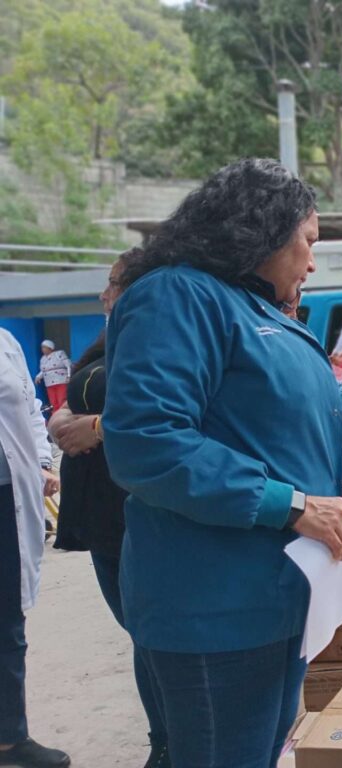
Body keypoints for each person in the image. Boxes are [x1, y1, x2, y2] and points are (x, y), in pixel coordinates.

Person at [102, 158, 342, 768]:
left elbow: (338, 414)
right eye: (309, 242)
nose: (313, 261)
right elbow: (148, 441)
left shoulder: (266, 313)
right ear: (261, 229)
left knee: (261, 752)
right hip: (213, 609)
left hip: (279, 602)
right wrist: (290, 504)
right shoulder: (178, 296)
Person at [47, 248, 170, 768]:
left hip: (130, 515)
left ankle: (168, 745)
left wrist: (91, 425)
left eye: (113, 283)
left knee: (151, 638)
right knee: (141, 637)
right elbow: (85, 399)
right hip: (103, 518)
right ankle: (164, 739)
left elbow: (147, 408)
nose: (104, 294)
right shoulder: (114, 339)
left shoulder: (157, 343)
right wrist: (68, 420)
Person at [0, 328, 69, 768]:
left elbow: (29, 410)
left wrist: (43, 461)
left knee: (7, 617)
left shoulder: (5, 341)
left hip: (8, 495)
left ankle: (10, 739)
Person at [34, 341, 71, 413]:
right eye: (42, 347)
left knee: (61, 400)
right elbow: (44, 370)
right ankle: (55, 417)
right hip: (49, 383)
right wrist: (38, 377)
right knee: (53, 402)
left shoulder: (59, 354)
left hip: (60, 381)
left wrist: (69, 376)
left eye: (44, 347)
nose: (43, 349)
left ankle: (63, 416)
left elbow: (68, 365)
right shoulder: (43, 359)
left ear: (50, 348)